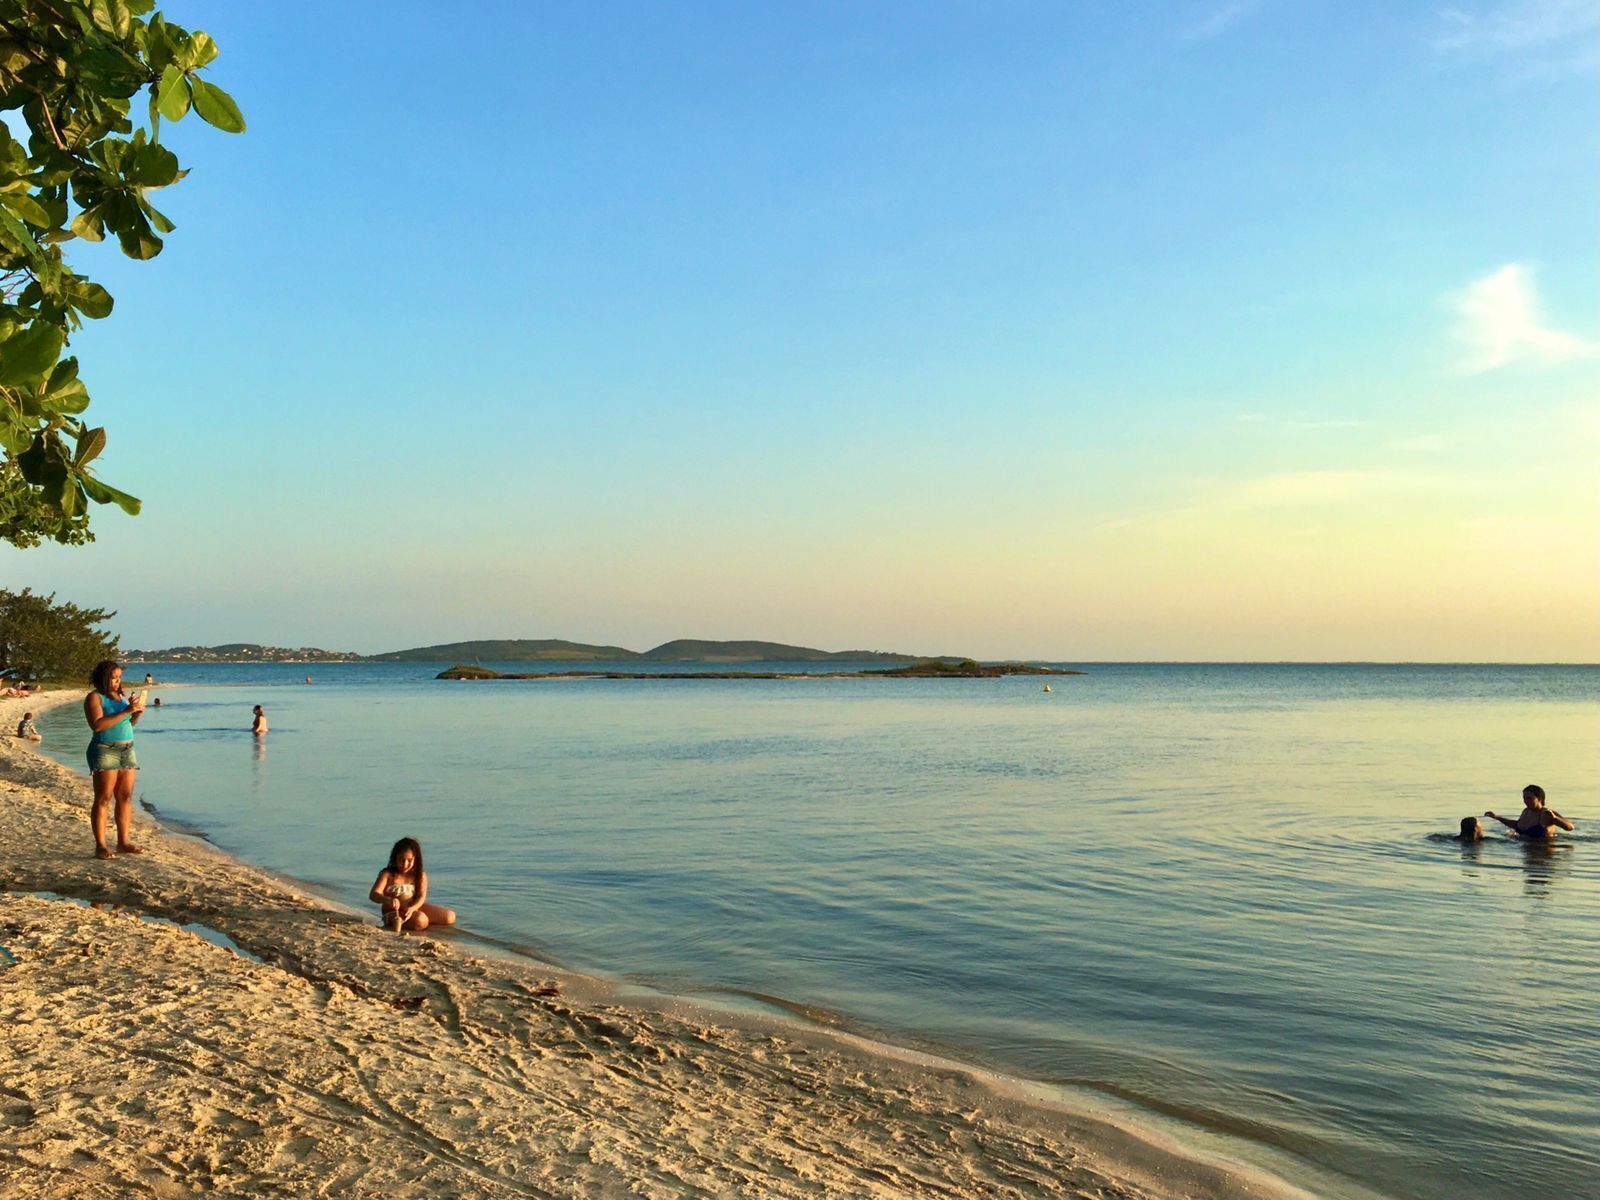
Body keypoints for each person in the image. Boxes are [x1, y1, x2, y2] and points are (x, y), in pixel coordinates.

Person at [83, 659, 145, 859]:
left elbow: (128, 724)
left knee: (125, 796)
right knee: (104, 797)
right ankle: (101, 845)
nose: (118, 682)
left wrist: (136, 713)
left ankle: (123, 842)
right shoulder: (94, 697)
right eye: (114, 678)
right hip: (105, 749)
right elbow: (98, 725)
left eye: (119, 678)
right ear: (103, 678)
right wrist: (126, 711)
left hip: (127, 748)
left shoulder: (121, 697)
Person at [368, 837, 456, 932]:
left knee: (450, 916)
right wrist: (388, 900)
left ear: (416, 859)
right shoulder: (387, 874)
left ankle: (415, 920)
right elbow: (373, 894)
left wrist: (413, 908)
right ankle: (391, 920)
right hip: (394, 911)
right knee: (421, 920)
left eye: (409, 860)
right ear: (395, 858)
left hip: (413, 907)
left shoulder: (420, 875)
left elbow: (421, 896)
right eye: (401, 860)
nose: (405, 864)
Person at [1486, 785, 1575, 841]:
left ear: (1539, 799)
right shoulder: (1526, 811)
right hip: (1526, 851)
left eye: (1529, 798)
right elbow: (1516, 825)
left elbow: (1570, 827)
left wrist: (1555, 819)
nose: (1526, 801)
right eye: (1524, 798)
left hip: (1543, 852)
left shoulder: (1546, 813)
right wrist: (1497, 818)